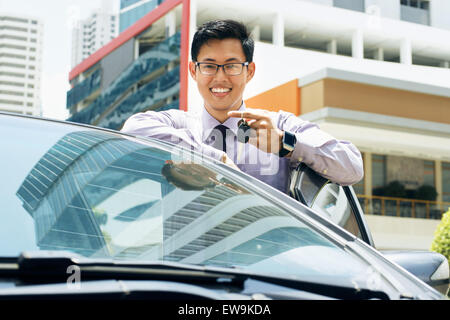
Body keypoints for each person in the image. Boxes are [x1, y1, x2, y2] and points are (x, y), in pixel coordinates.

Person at [121, 19, 363, 194]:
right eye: (209, 65)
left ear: (250, 71)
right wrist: (214, 160)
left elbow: (352, 167)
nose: (220, 78)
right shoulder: (178, 124)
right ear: (193, 70)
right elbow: (132, 128)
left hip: (262, 261)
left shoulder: (277, 126)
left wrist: (286, 144)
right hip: (188, 261)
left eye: (231, 65)